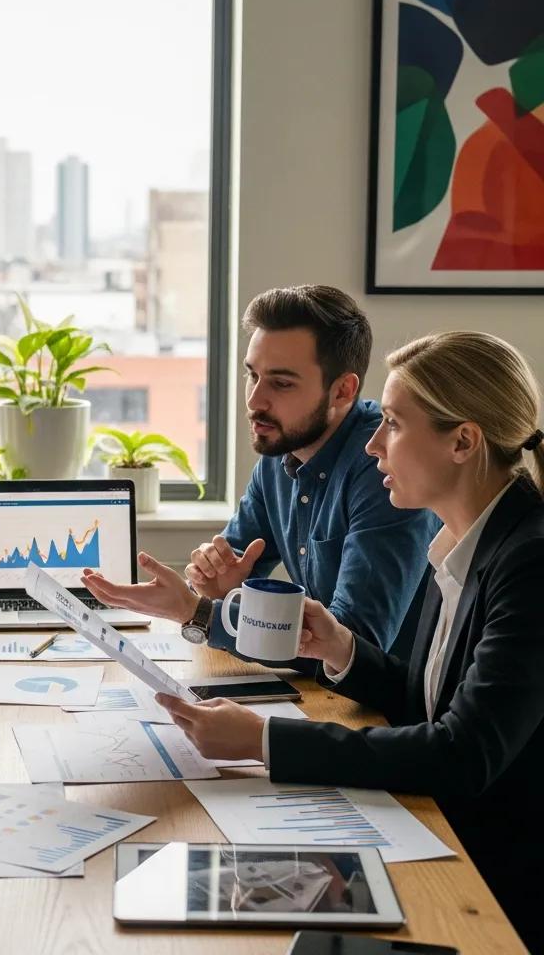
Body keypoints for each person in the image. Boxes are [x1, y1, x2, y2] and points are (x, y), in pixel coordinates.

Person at [151, 331, 544, 951]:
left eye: (392, 423)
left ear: (463, 441)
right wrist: (341, 650)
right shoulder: (465, 543)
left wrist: (264, 739)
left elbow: (463, 752)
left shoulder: (529, 560)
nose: (372, 443)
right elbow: (428, 701)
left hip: (492, 879)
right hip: (441, 832)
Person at [83, 285, 438, 670]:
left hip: (393, 713)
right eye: (253, 376)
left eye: (281, 383)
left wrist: (200, 613)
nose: (254, 401)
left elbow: (354, 645)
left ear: (342, 391)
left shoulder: (383, 470)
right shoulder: (280, 453)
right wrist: (217, 586)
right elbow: (226, 577)